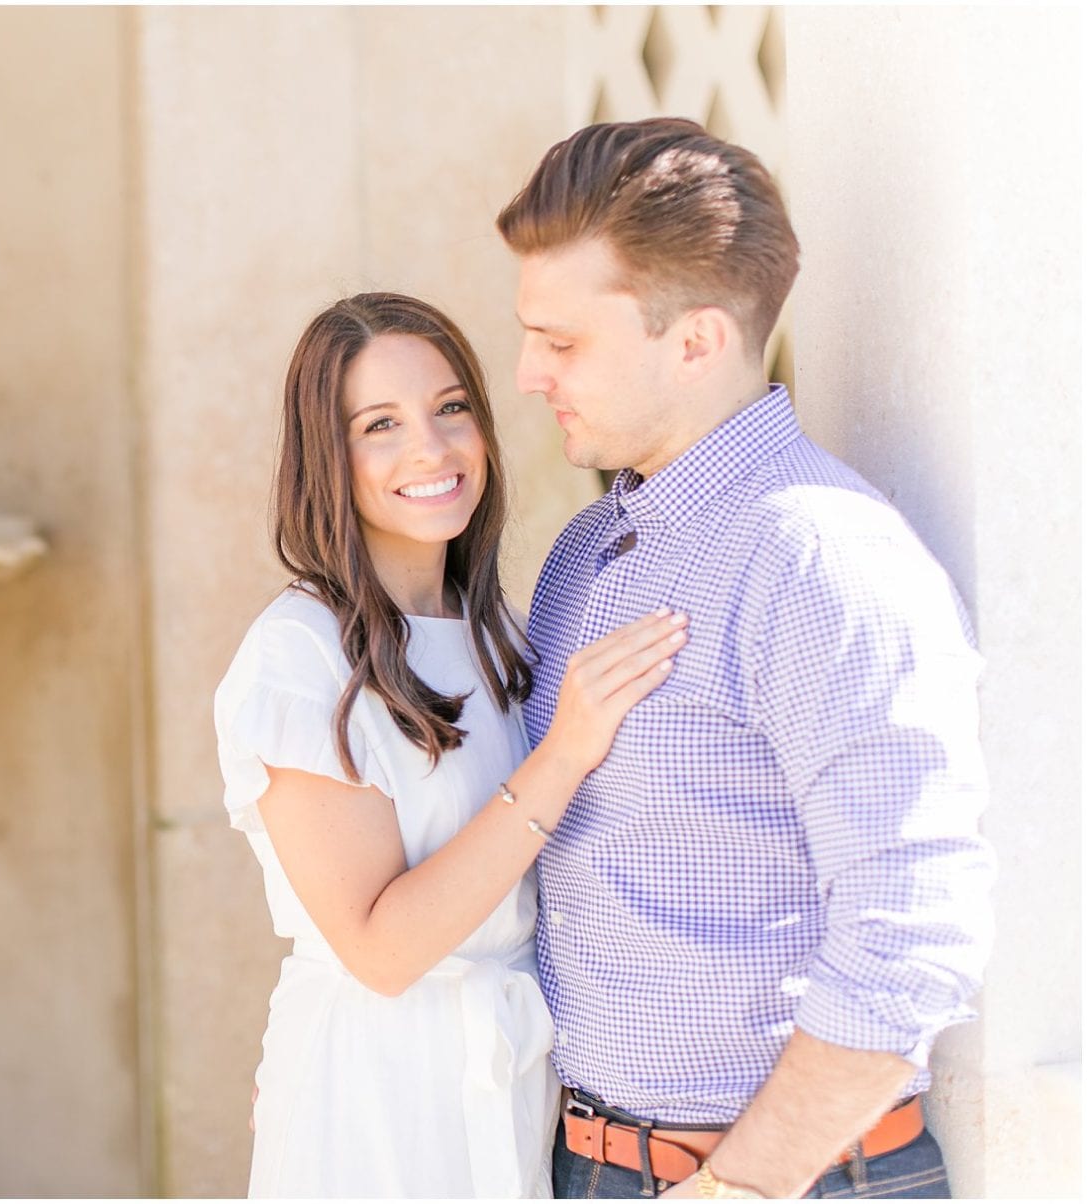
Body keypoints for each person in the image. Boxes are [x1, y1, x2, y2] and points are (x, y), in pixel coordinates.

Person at [496, 118, 995, 1199]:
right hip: (588, 1166)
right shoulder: (584, 555)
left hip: (793, 1181)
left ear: (696, 341)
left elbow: (914, 926)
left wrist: (736, 1188)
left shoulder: (822, 563)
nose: (528, 373)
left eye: (563, 340)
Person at [214, 291, 689, 1197]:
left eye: (451, 408)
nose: (431, 450)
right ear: (329, 456)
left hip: (516, 1072)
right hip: (379, 1095)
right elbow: (384, 952)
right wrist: (565, 752)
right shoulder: (301, 656)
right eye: (380, 425)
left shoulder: (494, 629)